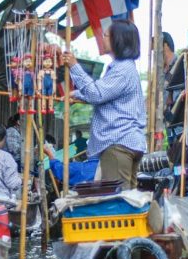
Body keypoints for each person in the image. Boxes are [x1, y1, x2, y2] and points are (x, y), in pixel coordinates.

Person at [62, 19, 147, 189]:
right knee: (127, 199)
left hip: (118, 142)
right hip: (126, 142)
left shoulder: (123, 70)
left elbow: (97, 94)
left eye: (106, 35)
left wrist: (74, 67)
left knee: (118, 200)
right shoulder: (122, 68)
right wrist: (77, 94)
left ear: (118, 40)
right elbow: (103, 92)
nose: (103, 38)